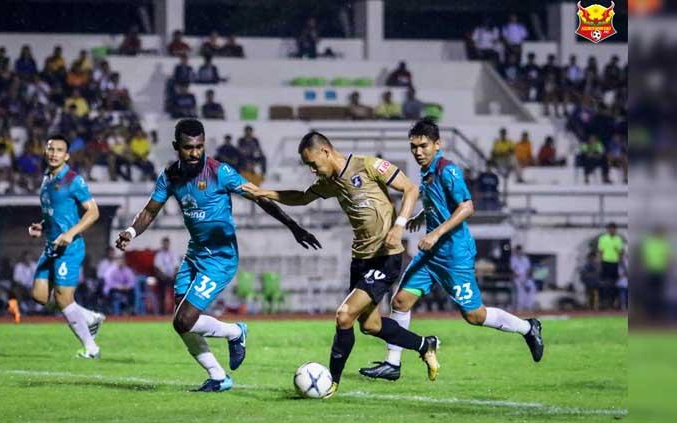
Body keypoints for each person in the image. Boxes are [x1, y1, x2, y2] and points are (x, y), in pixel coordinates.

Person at [114, 119, 320, 392]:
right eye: (188, 148)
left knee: (184, 319)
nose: (195, 153)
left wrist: (294, 227)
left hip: (221, 258)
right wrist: (130, 231)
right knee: (181, 323)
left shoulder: (219, 172)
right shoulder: (170, 176)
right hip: (194, 255)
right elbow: (151, 210)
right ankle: (218, 377)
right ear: (177, 147)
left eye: (199, 146)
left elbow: (259, 197)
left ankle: (236, 332)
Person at [243, 131, 440, 398]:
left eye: (313, 163)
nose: (313, 170)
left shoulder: (368, 165)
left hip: (386, 255)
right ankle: (424, 345)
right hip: (360, 259)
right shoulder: (330, 182)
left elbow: (411, 189)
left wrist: (399, 226)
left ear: (325, 151)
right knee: (370, 325)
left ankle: (331, 383)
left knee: (344, 315)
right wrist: (264, 192)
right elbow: (301, 197)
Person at [358, 119, 543, 382]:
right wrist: (423, 217)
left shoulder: (448, 169)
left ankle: (528, 327)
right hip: (430, 254)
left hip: (454, 254)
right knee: (399, 301)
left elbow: (467, 207)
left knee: (474, 316)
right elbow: (439, 201)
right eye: (413, 147)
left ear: (437, 144)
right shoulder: (427, 170)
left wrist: (434, 233)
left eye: (423, 146)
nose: (418, 151)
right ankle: (393, 363)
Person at [26, 134, 105, 358]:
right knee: (39, 297)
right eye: (51, 149)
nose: (54, 154)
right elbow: (56, 213)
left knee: (62, 298)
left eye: (59, 150)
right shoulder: (46, 179)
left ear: (67, 155)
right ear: (45, 152)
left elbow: (93, 212)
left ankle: (91, 348)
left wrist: (70, 233)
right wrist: (42, 226)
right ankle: (89, 318)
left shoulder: (73, 180)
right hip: (51, 246)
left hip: (69, 248)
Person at [597, 222, 625, 309]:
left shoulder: (618, 239)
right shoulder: (603, 239)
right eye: (610, 228)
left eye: (613, 228)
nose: (612, 230)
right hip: (605, 262)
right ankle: (604, 301)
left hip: (615, 263)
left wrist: (621, 262)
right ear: (607, 229)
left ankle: (613, 301)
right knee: (605, 283)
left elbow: (621, 252)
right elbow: (600, 251)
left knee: (614, 283)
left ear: (616, 230)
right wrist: (599, 262)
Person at [153, 237, 178, 314]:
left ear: (169, 244)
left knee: (178, 291)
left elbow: (176, 266)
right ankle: (162, 311)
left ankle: (176, 310)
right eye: (164, 243)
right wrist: (163, 276)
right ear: (162, 244)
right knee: (161, 293)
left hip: (172, 277)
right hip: (162, 278)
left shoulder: (173, 254)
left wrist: (173, 275)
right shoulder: (159, 255)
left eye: (167, 243)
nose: (166, 245)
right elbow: (157, 267)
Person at [510, 245, 535, 310]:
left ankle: (529, 306)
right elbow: (513, 269)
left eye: (520, 250)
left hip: (526, 277)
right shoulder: (513, 258)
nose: (519, 252)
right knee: (520, 293)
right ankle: (519, 308)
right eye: (517, 250)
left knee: (532, 288)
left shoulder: (525, 258)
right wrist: (519, 277)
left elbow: (528, 269)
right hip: (517, 278)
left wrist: (526, 277)